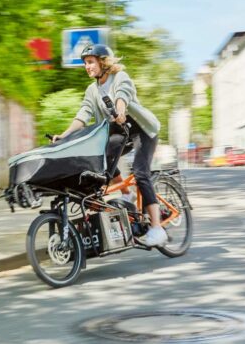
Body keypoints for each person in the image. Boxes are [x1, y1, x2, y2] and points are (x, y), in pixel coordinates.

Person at [51, 44, 167, 247]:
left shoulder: (120, 77)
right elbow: (83, 114)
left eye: (90, 62)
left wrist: (120, 111)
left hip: (141, 131)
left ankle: (157, 228)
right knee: (103, 161)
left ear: (102, 62)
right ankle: (126, 194)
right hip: (121, 133)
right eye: (85, 64)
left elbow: (123, 95)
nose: (87, 67)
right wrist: (64, 135)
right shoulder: (92, 90)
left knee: (140, 173)